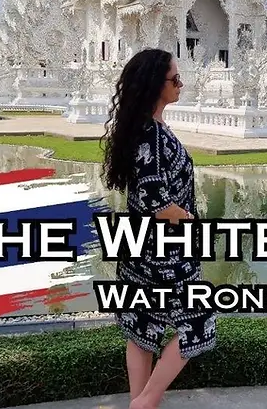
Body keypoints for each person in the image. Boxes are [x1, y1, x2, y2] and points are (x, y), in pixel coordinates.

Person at [101, 48, 216, 409]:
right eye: (175, 78)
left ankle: (140, 401)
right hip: (164, 254)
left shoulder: (148, 129)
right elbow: (155, 200)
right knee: (199, 321)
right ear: (155, 84)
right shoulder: (151, 134)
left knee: (142, 327)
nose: (180, 84)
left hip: (140, 251)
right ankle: (146, 400)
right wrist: (189, 220)